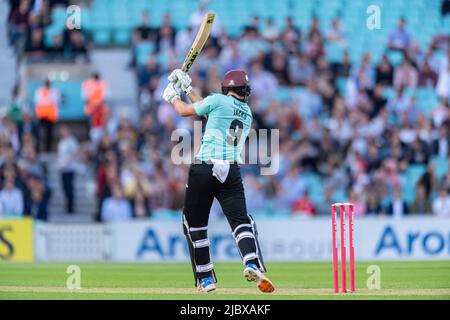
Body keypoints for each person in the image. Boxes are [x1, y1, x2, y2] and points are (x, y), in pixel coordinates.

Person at [162, 69, 274, 293]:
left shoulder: (216, 100)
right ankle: (251, 262)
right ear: (245, 91)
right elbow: (208, 112)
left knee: (194, 224)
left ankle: (206, 279)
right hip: (230, 172)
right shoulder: (247, 112)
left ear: (225, 87)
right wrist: (187, 89)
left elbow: (186, 111)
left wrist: (172, 97)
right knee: (241, 221)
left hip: (204, 168)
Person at [56, 126, 79, 214]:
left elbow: (76, 153)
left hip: (69, 168)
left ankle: (71, 207)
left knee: (69, 188)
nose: (62, 133)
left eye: (64, 131)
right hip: (62, 169)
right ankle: (67, 205)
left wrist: (68, 161)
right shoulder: (61, 142)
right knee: (64, 188)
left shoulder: (72, 141)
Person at [34, 79, 59, 152]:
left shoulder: (54, 91)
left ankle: (48, 150)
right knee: (40, 133)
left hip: (50, 116)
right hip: (42, 116)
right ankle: (39, 149)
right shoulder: (40, 91)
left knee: (49, 134)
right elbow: (37, 102)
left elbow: (56, 102)